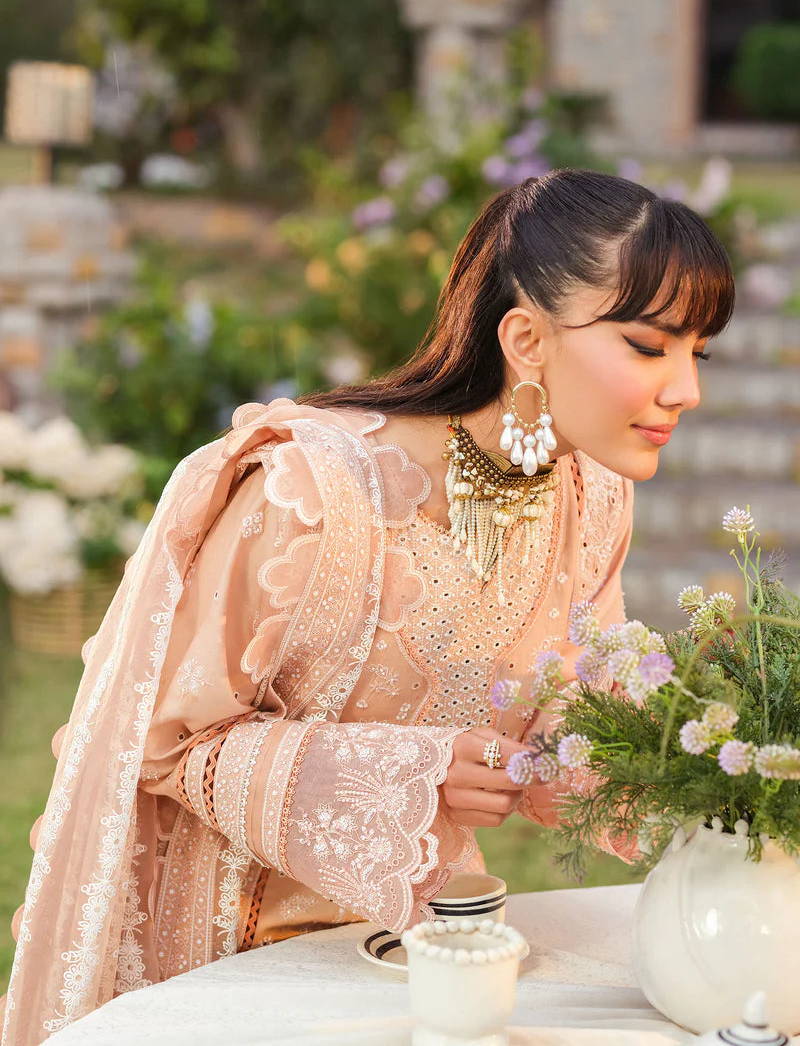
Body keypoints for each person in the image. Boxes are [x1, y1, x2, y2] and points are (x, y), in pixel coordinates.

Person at [2, 170, 735, 1046]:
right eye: (652, 347)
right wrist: (407, 772)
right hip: (220, 962)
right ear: (527, 339)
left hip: (418, 959)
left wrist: (718, 758)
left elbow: (577, 706)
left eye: (699, 351)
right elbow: (162, 741)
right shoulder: (310, 492)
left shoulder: (591, 497)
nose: (686, 389)